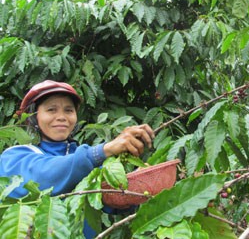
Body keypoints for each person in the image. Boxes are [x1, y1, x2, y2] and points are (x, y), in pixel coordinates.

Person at [0, 80, 155, 238]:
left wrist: (138, 183)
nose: (61, 117)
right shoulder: (15, 157)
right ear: (34, 118)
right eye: (51, 110)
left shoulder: (85, 163)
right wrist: (104, 150)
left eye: (68, 110)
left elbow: (110, 197)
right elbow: (45, 175)